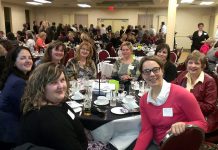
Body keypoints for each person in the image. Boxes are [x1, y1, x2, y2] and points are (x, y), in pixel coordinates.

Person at [134, 56, 208, 150]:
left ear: (162, 71)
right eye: (147, 71)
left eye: (156, 70)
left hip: (179, 144)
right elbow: (146, 130)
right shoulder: (144, 100)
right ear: (142, 75)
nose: (152, 74)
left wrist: (185, 125)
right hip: (157, 144)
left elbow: (203, 124)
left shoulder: (182, 94)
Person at [20, 62, 88, 150]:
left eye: (62, 80)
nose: (61, 86)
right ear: (41, 87)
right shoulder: (51, 119)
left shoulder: (53, 102)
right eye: (53, 82)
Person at [173, 51, 218, 133]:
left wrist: (188, 101)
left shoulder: (209, 81)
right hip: (181, 113)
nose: (193, 66)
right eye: (190, 63)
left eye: (197, 63)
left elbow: (210, 107)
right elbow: (172, 88)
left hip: (200, 117)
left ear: (203, 66)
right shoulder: (183, 75)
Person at [0, 46, 34, 149]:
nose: (28, 61)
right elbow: (27, 109)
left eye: (29, 57)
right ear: (14, 62)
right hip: (11, 133)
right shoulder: (18, 82)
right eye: (23, 58)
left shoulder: (15, 76)